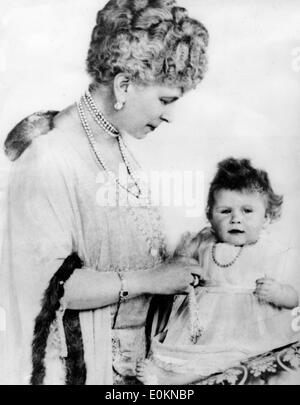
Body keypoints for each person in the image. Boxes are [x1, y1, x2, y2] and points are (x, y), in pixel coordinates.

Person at [0, 0, 209, 385]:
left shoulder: (114, 144)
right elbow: (44, 290)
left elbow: (127, 253)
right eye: (165, 100)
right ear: (124, 85)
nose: (170, 116)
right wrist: (153, 279)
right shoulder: (50, 157)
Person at [137, 157, 300, 385]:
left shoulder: (269, 250)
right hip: (206, 322)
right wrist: (184, 256)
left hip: (248, 324)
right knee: (197, 354)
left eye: (247, 211)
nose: (236, 219)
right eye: (225, 211)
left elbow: (294, 298)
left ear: (267, 217)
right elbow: (179, 267)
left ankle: (177, 379)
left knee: (235, 359)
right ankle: (170, 377)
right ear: (210, 216)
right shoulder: (204, 243)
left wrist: (279, 292)